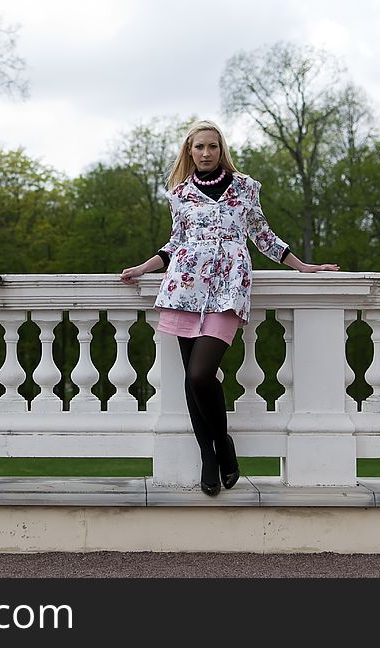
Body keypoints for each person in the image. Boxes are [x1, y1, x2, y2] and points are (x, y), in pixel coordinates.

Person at [120, 120, 339, 496]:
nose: (206, 153)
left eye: (212, 147)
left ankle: (224, 444)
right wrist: (144, 267)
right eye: (199, 147)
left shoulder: (244, 189)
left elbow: (262, 236)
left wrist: (302, 266)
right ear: (189, 152)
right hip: (183, 288)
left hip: (228, 288)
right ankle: (210, 454)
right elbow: (175, 242)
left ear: (222, 150)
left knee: (203, 374)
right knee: (192, 379)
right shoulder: (180, 194)